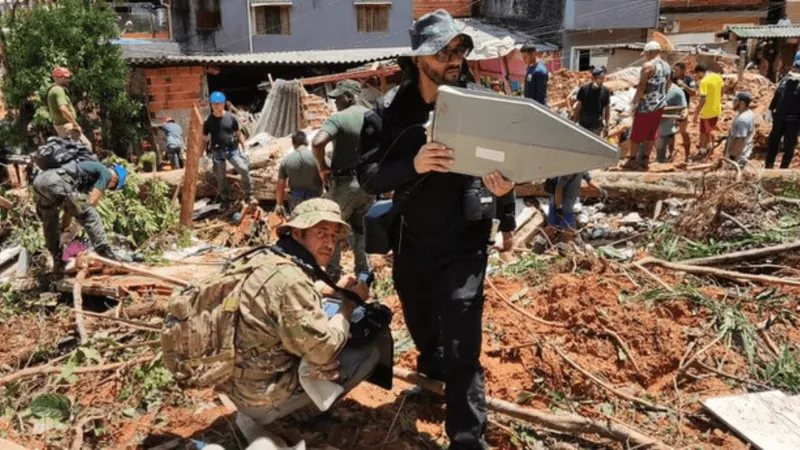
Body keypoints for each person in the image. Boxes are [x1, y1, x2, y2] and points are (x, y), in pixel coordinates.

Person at [357, 10, 516, 449]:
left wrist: (507, 206)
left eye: (459, 50)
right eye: (444, 51)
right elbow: (368, 177)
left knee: (463, 336)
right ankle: (433, 380)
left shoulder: (481, 104)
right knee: (424, 322)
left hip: (466, 243)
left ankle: (467, 437)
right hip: (413, 244)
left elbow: (506, 161)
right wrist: (413, 164)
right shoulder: (388, 113)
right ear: (417, 58)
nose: (455, 59)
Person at [230, 198, 378, 427]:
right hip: (259, 399)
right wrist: (349, 305)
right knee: (367, 350)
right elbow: (323, 351)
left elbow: (276, 296)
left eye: (333, 236)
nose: (329, 243)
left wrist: (326, 288)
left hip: (237, 384)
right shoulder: (292, 281)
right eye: (321, 233)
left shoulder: (265, 257)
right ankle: (303, 413)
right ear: (298, 233)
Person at [32, 140, 128, 275]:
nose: (108, 188)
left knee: (50, 222)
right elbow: (92, 201)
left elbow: (70, 209)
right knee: (90, 215)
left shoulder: (80, 176)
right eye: (112, 187)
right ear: (115, 180)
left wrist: (65, 227)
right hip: (56, 181)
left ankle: (58, 260)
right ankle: (106, 254)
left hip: (39, 182)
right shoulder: (106, 172)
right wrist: (85, 212)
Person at [312, 80, 375, 282]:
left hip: (344, 183)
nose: (335, 103)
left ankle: (332, 273)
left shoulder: (339, 118)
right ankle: (364, 273)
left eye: (338, 98)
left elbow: (317, 142)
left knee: (332, 228)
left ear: (349, 96)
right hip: (369, 183)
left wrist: (322, 167)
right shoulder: (374, 115)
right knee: (361, 230)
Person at [203, 91, 253, 207]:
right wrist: (203, 155)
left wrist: (245, 149)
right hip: (217, 152)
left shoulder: (231, 118)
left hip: (232, 150)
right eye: (214, 104)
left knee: (244, 169)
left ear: (224, 104)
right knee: (221, 177)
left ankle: (249, 196)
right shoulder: (208, 121)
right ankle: (225, 200)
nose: (216, 106)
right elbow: (204, 138)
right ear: (211, 105)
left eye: (219, 104)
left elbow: (239, 134)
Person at [629, 41, 671, 169]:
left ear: (650, 52)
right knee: (651, 133)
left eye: (646, 53)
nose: (645, 56)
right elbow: (668, 84)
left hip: (646, 105)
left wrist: (634, 102)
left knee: (636, 133)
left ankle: (632, 159)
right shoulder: (667, 66)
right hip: (659, 104)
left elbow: (641, 86)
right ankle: (646, 159)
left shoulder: (648, 66)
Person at [547, 172, 605, 243]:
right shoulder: (570, 171)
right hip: (562, 204)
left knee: (554, 226)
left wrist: (600, 189)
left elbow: (588, 179)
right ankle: (564, 249)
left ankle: (541, 246)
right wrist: (559, 206)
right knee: (564, 229)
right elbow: (559, 188)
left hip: (564, 203)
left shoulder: (581, 168)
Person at [276, 131, 323, 215]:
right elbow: (328, 174)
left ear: (293, 143)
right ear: (306, 141)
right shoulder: (317, 157)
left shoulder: (285, 161)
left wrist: (279, 204)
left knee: (298, 223)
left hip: (296, 200)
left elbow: (280, 185)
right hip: (316, 199)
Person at [46, 66, 93, 151]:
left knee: (74, 150)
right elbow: (63, 109)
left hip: (62, 126)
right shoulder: (58, 90)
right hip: (67, 126)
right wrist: (75, 124)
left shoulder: (53, 90)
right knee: (86, 147)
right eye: (66, 77)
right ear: (59, 78)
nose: (68, 80)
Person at [766, 61, 800, 169]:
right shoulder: (785, 81)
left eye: (797, 69)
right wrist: (770, 109)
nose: (794, 70)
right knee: (773, 142)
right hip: (779, 119)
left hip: (793, 121)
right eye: (794, 68)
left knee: (789, 146)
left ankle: (784, 168)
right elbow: (777, 95)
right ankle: (768, 165)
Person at [693, 64, 724, 158]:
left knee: (703, 132)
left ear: (699, 72)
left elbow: (703, 99)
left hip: (707, 111)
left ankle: (702, 151)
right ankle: (710, 148)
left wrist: (696, 113)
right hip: (716, 109)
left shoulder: (704, 82)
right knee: (709, 130)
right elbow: (722, 89)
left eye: (697, 75)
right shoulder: (717, 77)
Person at [656, 83, 688, 163]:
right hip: (656, 123)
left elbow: (684, 107)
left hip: (668, 123)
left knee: (668, 138)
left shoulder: (677, 91)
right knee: (659, 147)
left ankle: (670, 156)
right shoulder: (654, 88)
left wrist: (684, 114)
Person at [572, 68, 610, 135]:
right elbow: (578, 106)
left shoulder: (605, 91)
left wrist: (607, 124)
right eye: (600, 78)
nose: (602, 81)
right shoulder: (584, 89)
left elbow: (607, 108)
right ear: (593, 78)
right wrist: (574, 121)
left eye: (603, 78)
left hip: (596, 125)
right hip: (583, 123)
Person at [672, 62, 696, 159]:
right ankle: (671, 154)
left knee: (683, 131)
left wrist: (684, 86)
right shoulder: (672, 79)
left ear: (683, 70)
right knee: (670, 132)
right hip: (672, 109)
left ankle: (687, 155)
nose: (675, 72)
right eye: (674, 70)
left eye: (677, 70)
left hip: (683, 109)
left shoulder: (689, 79)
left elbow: (693, 93)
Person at [724, 92, 755, 166]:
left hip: (738, 159)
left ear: (742, 103)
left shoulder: (743, 119)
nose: (733, 103)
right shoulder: (748, 113)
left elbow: (740, 140)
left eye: (735, 101)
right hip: (742, 155)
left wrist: (732, 158)